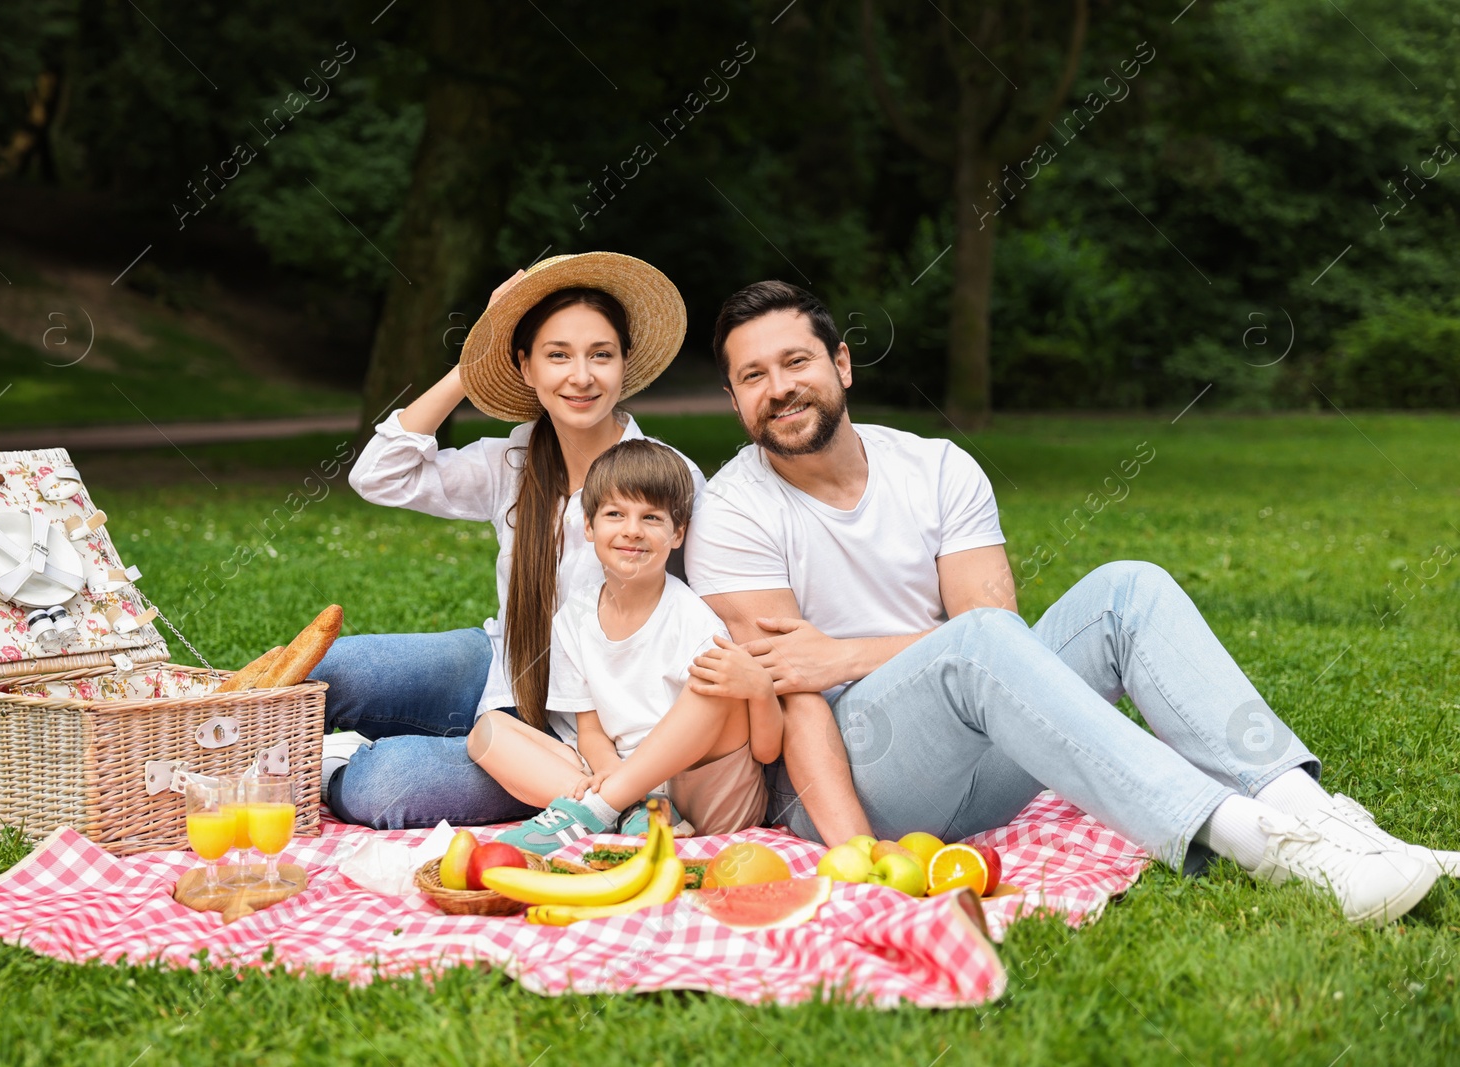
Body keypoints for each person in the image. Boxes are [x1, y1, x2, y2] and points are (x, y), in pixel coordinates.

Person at [683, 279, 1453, 927]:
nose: (779, 387)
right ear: (734, 398)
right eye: (753, 376)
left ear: (842, 364)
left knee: (1127, 587)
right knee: (977, 643)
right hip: (839, 785)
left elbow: (990, 628)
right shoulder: (735, 510)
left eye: (795, 361)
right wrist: (919, 649)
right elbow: (796, 684)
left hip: (976, 761)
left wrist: (848, 651)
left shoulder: (936, 467)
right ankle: (1262, 845)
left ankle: (1317, 819)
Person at [310, 252, 704, 830]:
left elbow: (709, 620)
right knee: (329, 669)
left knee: (385, 784)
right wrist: (475, 359)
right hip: (502, 666)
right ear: (525, 366)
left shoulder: (668, 480)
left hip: (582, 730)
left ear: (624, 365)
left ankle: (336, 765)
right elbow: (378, 475)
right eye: (557, 355)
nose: (581, 376)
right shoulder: (512, 461)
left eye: (601, 355)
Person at [468, 439, 781, 853]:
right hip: (622, 786)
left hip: (706, 795)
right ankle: (629, 810)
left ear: (677, 533)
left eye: (651, 517)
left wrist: (759, 690)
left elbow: (766, 749)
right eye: (616, 514)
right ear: (590, 526)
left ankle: (600, 808)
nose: (632, 529)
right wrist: (614, 776)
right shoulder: (573, 620)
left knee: (714, 681)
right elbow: (591, 731)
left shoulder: (692, 619)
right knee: (487, 731)